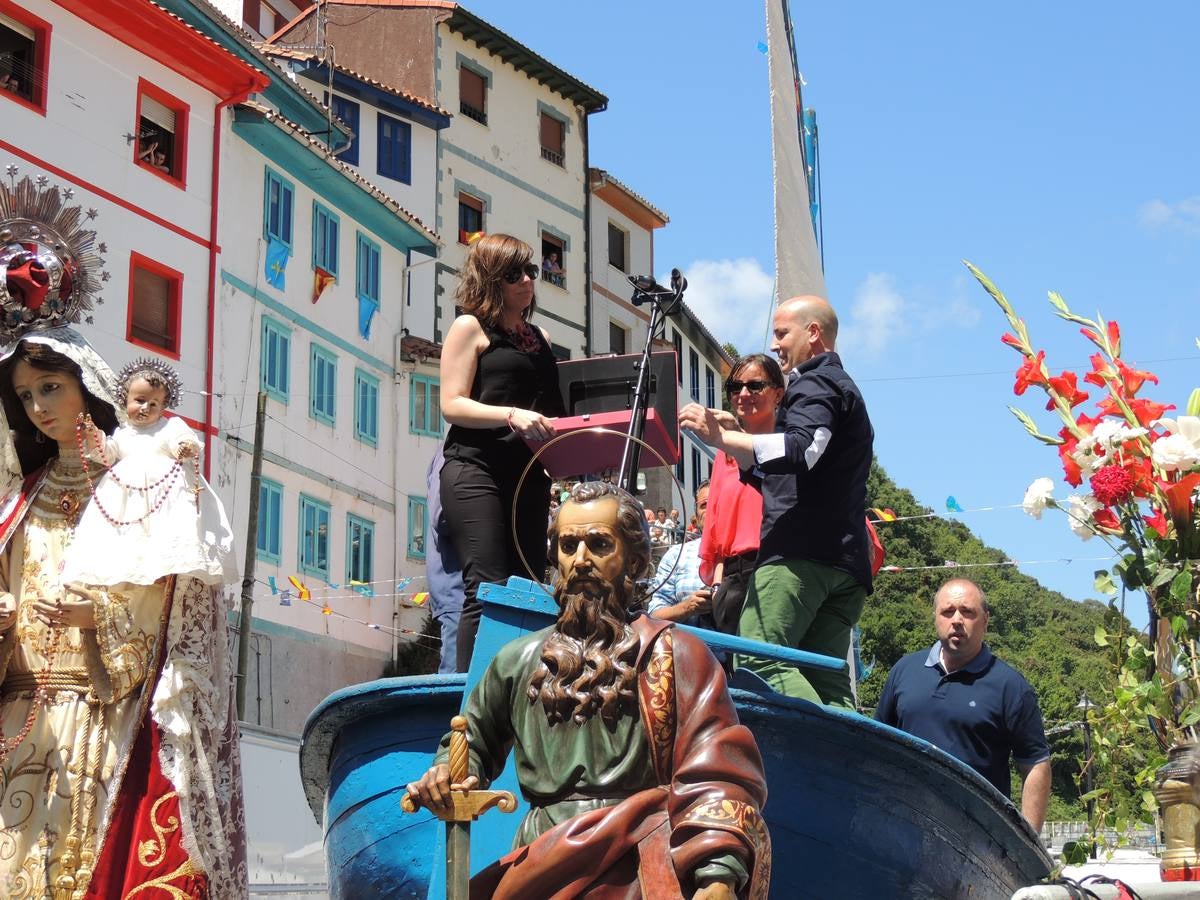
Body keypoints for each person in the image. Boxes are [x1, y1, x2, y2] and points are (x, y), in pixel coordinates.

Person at [0, 202, 245, 898]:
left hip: (99, 723)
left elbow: (168, 605)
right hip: (19, 723)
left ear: (87, 387)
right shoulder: (19, 501)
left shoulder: (137, 484)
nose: (40, 406)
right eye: (25, 395)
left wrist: (98, 618)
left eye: (51, 387)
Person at [405, 482, 770, 899]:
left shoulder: (677, 655)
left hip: (643, 863)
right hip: (543, 863)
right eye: (568, 545)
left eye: (599, 544)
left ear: (633, 561)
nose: (580, 561)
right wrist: (446, 776)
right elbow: (469, 743)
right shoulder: (517, 660)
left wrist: (717, 874)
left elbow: (719, 769)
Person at [680, 296, 874, 708]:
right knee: (827, 681)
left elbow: (801, 450)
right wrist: (741, 436)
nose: (774, 343)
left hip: (801, 557)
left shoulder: (815, 381)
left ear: (814, 333)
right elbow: (796, 465)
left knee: (759, 658)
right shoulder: (842, 388)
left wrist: (719, 438)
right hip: (845, 565)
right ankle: (846, 762)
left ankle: (818, 749)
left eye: (782, 332)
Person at [439, 233, 565, 672]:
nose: (528, 280)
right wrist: (511, 414)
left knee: (530, 589)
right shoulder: (470, 327)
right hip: (475, 469)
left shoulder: (541, 338)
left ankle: (518, 693)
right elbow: (452, 404)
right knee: (487, 586)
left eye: (530, 270)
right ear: (491, 279)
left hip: (529, 477)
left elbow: (554, 413)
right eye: (514, 274)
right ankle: (470, 700)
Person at [874, 579, 1051, 831]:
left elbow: (1035, 764)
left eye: (967, 612)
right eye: (948, 611)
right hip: (902, 823)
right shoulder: (904, 670)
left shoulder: (1010, 686)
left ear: (985, 620)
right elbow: (879, 743)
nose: (956, 620)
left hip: (977, 837)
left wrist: (1028, 842)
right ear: (936, 617)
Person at [61, 357, 236, 589]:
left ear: (163, 407)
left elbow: (184, 442)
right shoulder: (123, 433)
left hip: (166, 494)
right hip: (125, 495)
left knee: (163, 531)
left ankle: (166, 570)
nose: (145, 408)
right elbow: (107, 455)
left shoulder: (170, 427)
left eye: (154, 404)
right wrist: (93, 434)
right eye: (140, 401)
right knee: (127, 536)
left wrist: (184, 447)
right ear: (126, 401)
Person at [692, 354, 786, 635]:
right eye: (735, 387)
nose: (743, 394)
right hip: (734, 577)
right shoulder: (724, 453)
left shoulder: (791, 442)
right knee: (738, 669)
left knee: (769, 663)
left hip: (777, 564)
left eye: (755, 386)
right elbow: (718, 527)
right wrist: (719, 585)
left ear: (778, 394)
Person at [648, 481, 715, 626]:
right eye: (704, 505)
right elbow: (654, 615)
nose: (712, 509)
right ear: (696, 517)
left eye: (719, 502)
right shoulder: (676, 555)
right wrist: (686, 607)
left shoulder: (747, 556)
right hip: (686, 646)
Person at [425, 445, 465, 674]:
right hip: (456, 587)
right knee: (456, 677)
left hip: (458, 587)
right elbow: (441, 517)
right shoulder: (449, 455)